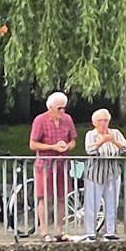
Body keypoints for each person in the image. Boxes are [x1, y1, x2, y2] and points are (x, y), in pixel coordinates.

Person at [29, 93, 78, 240]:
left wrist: (67, 146)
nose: (62, 111)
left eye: (64, 108)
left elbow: (73, 140)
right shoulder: (40, 120)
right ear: (50, 108)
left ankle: (60, 230)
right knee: (44, 198)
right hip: (45, 164)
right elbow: (33, 144)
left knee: (62, 198)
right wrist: (52, 147)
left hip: (62, 163)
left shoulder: (68, 119)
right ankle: (44, 231)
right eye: (59, 108)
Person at [81, 108, 126, 241]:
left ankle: (110, 231)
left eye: (106, 120)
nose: (103, 123)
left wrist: (113, 141)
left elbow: (125, 147)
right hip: (96, 173)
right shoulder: (91, 134)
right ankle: (91, 232)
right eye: (100, 120)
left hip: (113, 172)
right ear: (94, 122)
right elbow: (89, 150)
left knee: (112, 202)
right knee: (92, 203)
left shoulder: (116, 133)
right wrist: (101, 141)